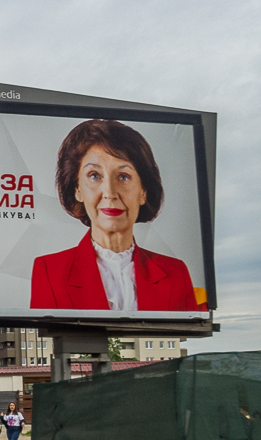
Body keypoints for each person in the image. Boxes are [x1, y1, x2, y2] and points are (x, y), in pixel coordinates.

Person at [31, 119, 203, 313]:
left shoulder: (175, 273)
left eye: (123, 177)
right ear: (77, 189)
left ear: (143, 191)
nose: (110, 193)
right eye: (94, 175)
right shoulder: (49, 271)